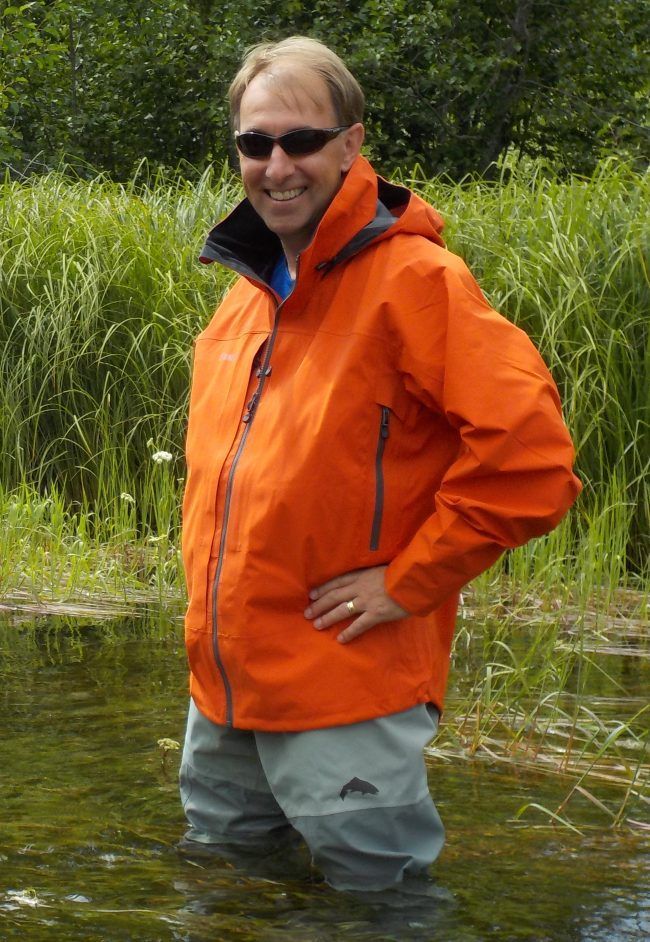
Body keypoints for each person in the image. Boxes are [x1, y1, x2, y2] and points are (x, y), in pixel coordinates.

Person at [178, 36, 581, 892]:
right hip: (225, 694)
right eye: (256, 144)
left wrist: (408, 581)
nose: (277, 165)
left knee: (380, 903)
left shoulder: (419, 281)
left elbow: (533, 462)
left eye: (301, 141)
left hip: (347, 683)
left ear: (352, 145)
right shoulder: (240, 300)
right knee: (231, 887)